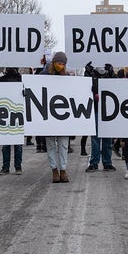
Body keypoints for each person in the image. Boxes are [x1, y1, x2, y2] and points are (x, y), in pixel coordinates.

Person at [41, 52, 71, 183]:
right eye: (59, 63)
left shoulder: (67, 77)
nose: (61, 66)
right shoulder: (43, 76)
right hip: (47, 115)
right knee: (51, 144)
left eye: (63, 64)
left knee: (63, 144)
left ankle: (63, 170)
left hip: (62, 117)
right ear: (53, 63)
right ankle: (54, 169)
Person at [84, 62, 117, 173]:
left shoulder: (110, 73)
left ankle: (107, 163)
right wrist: (87, 71)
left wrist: (111, 72)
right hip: (96, 109)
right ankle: (94, 163)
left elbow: (117, 85)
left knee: (108, 138)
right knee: (95, 138)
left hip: (109, 110)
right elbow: (84, 85)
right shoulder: (91, 73)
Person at [0, 67, 24, 176]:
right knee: (6, 145)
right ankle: (6, 167)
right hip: (5, 114)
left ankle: (18, 167)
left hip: (18, 113)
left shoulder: (22, 79)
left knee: (18, 144)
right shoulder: (0, 80)